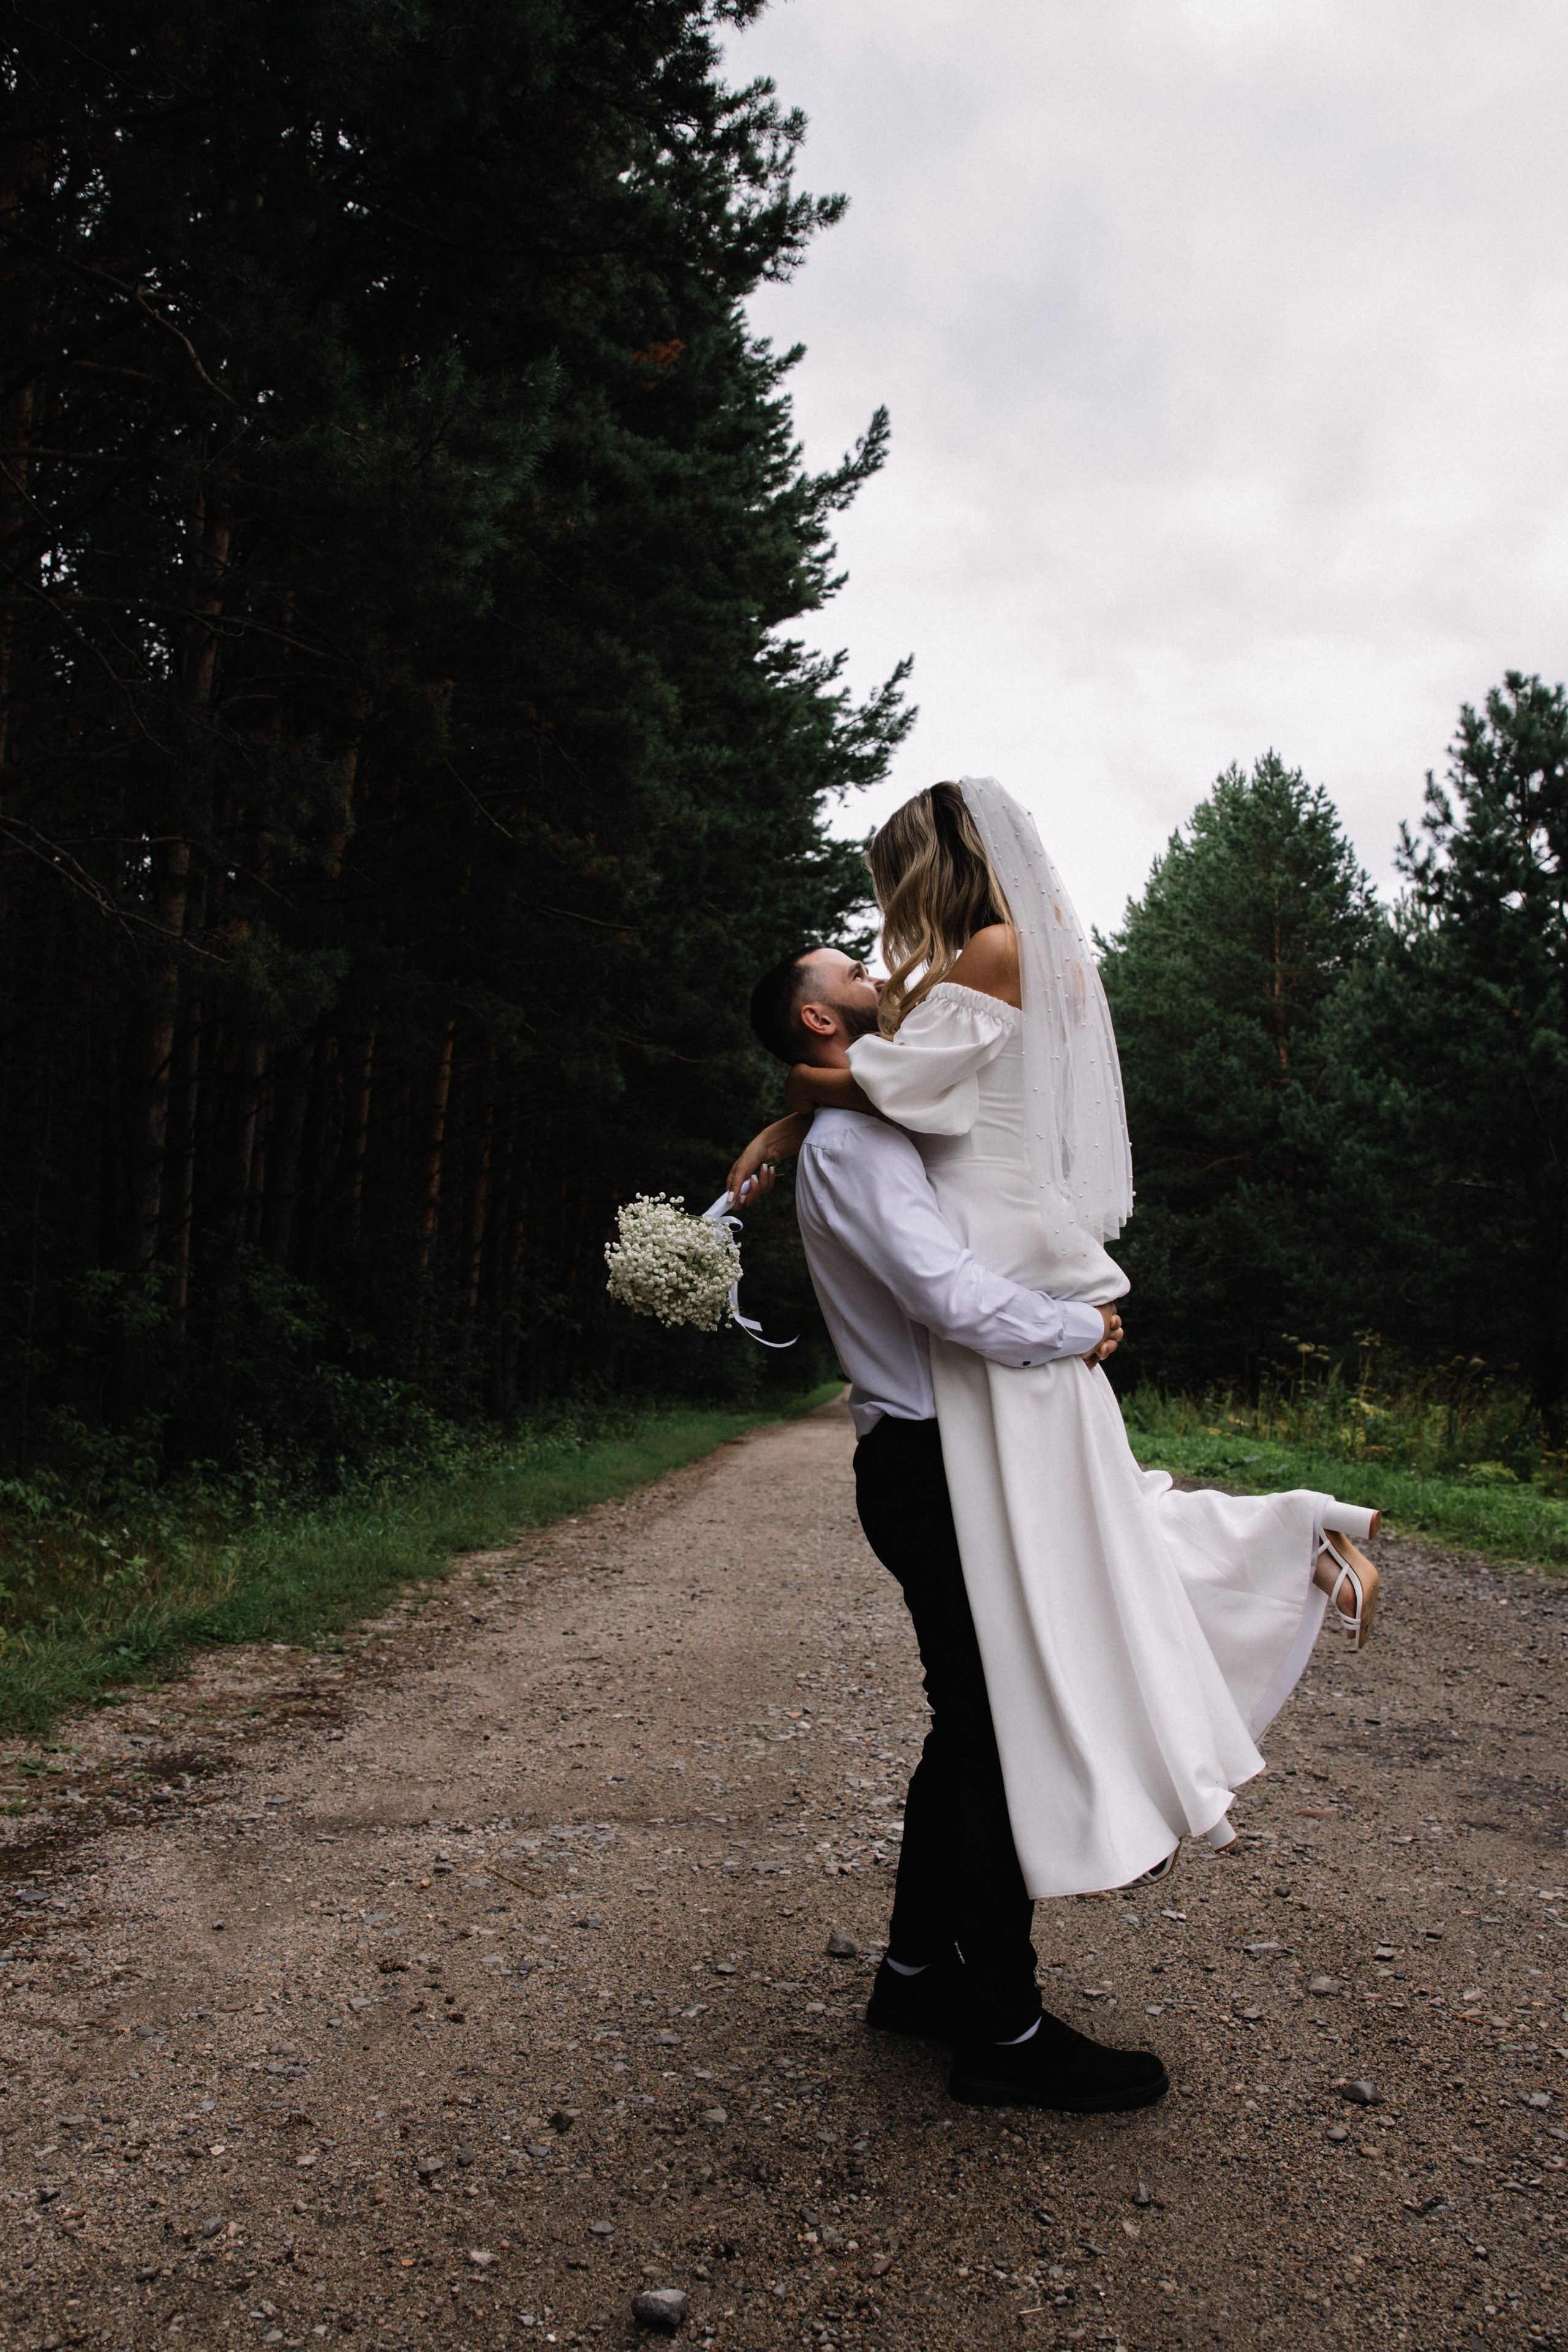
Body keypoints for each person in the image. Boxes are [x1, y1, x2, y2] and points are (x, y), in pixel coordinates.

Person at [731, 777, 1381, 1915]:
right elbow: (896, 1086)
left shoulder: (992, 950)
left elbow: (899, 1094)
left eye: (889, 890)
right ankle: (1296, 1545)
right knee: (1090, 1537)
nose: (880, 942)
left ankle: (1290, 1551)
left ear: (927, 870)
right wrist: (806, 1109)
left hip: (990, 1266)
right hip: (995, 1266)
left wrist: (797, 1095)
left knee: (1077, 1555)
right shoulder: (982, 963)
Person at [735, 944, 1170, 2114]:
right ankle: (1007, 2032)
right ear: (822, 1019)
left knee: (967, 1726)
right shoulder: (862, 1145)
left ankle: (917, 1975)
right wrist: (1075, 1329)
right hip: (931, 1469)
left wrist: (785, 1119)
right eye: (854, 975)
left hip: (931, 1463)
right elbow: (944, 1294)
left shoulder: (860, 1119)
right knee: (988, 1738)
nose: (880, 975)